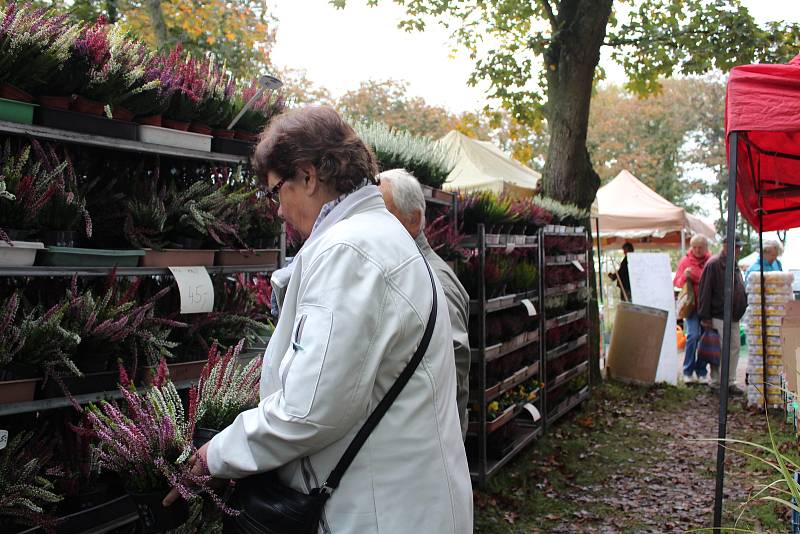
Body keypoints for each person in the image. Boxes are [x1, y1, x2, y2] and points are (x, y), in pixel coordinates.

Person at [165, 107, 473, 533]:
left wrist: (215, 454)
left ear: (309, 176)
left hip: (377, 511)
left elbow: (309, 410)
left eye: (276, 191)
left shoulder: (349, 251)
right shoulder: (379, 236)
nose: (277, 211)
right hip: (404, 501)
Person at [377, 168, 471, 439]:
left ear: (413, 219)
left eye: (383, 215)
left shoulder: (435, 281)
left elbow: (453, 368)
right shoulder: (407, 273)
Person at [697, 234, 748, 394]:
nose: (738, 249)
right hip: (718, 314)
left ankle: (730, 382)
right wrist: (705, 317)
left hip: (733, 315)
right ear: (725, 245)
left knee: (734, 347)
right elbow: (704, 292)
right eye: (736, 246)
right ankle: (717, 383)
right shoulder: (713, 264)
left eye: (739, 246)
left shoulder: (734, 264)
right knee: (719, 350)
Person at [673, 235, 711, 383]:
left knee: (704, 339)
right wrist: (684, 276)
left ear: (706, 247)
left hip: (707, 306)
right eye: (694, 247)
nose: (697, 250)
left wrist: (696, 276)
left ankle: (701, 371)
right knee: (693, 336)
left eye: (700, 247)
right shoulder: (685, 261)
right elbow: (677, 281)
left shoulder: (710, 261)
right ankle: (687, 370)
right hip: (691, 306)